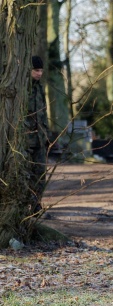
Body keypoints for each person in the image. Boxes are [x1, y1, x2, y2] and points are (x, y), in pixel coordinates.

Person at [26, 56, 49, 215]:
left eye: (41, 70)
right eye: (36, 70)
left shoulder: (40, 88)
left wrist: (47, 134)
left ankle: (36, 206)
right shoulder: (22, 87)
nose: (39, 73)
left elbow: (43, 112)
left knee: (40, 175)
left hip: (40, 140)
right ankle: (23, 207)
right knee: (24, 175)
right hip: (25, 140)